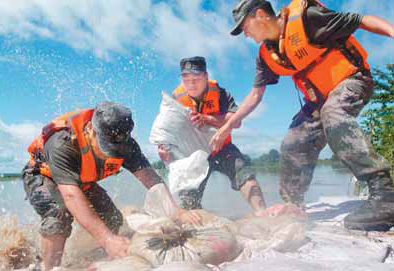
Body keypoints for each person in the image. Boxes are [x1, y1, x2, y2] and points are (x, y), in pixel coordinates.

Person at [210, 0, 394, 231]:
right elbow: (256, 95)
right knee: (292, 143)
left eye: (244, 26)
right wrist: (226, 127)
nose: (244, 34)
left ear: (259, 14)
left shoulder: (308, 19)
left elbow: (361, 20)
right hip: (319, 99)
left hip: (353, 80)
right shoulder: (265, 56)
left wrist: (391, 32)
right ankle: (294, 206)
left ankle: (385, 194)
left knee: (333, 114)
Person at [22, 101, 202, 270]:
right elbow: (70, 195)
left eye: (117, 148)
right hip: (44, 176)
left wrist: (176, 211)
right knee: (58, 214)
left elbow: (150, 178)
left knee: (113, 219)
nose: (112, 153)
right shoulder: (63, 141)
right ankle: (49, 267)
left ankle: (89, 260)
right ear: (91, 129)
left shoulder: (126, 144)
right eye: (107, 146)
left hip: (82, 181)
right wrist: (107, 239)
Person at [158, 56, 267, 215]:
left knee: (244, 174)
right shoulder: (176, 99)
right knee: (189, 201)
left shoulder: (220, 93)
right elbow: (167, 132)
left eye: (196, 78)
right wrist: (164, 151)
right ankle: (196, 229)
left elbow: (236, 122)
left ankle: (262, 214)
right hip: (194, 154)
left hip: (222, 148)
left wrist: (207, 119)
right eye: (186, 79)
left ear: (206, 77)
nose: (191, 83)